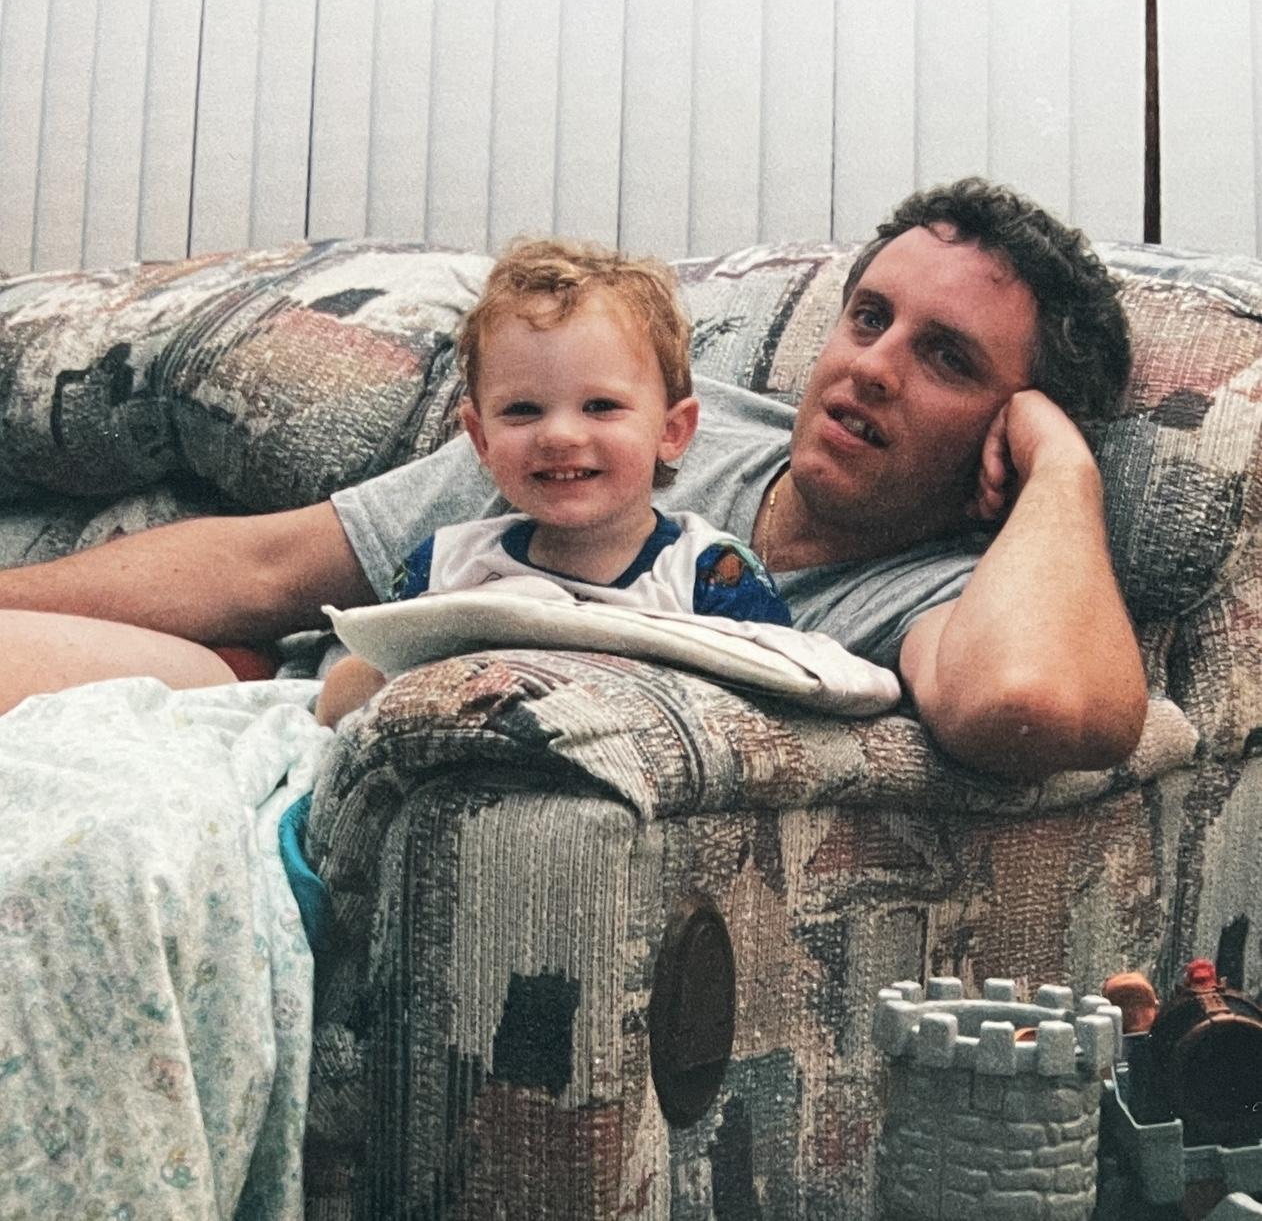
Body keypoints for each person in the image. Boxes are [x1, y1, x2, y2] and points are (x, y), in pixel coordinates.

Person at [0, 177, 1148, 780]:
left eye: (945, 359)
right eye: (867, 316)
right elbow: (268, 565)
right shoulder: (629, 426)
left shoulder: (936, 597)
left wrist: (1060, 464)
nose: (870, 366)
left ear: (1006, 428)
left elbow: (1035, 703)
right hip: (259, 697)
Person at [314, 238, 790, 727]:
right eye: (523, 410)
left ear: (672, 431)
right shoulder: (444, 568)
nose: (560, 435)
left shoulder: (713, 579)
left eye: (601, 406)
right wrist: (366, 683)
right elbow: (350, 698)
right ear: (481, 438)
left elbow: (781, 720)